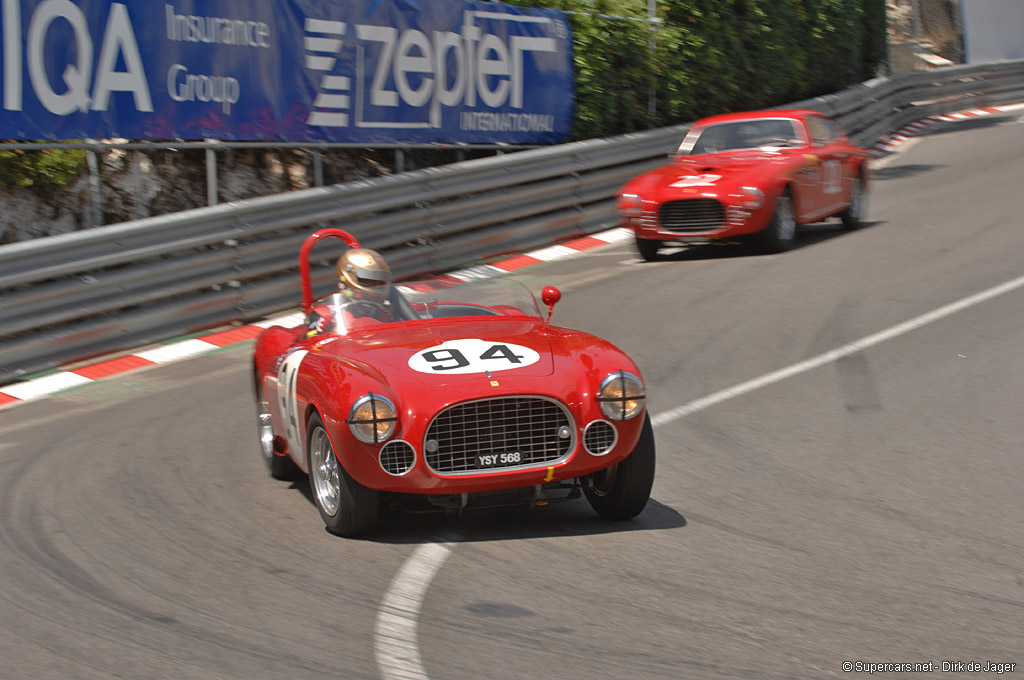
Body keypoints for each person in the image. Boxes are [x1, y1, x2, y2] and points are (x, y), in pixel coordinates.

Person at [306, 248, 394, 337]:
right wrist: (323, 330)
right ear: (347, 280)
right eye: (369, 282)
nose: (376, 287)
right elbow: (310, 342)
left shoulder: (390, 311)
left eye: (381, 282)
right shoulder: (326, 314)